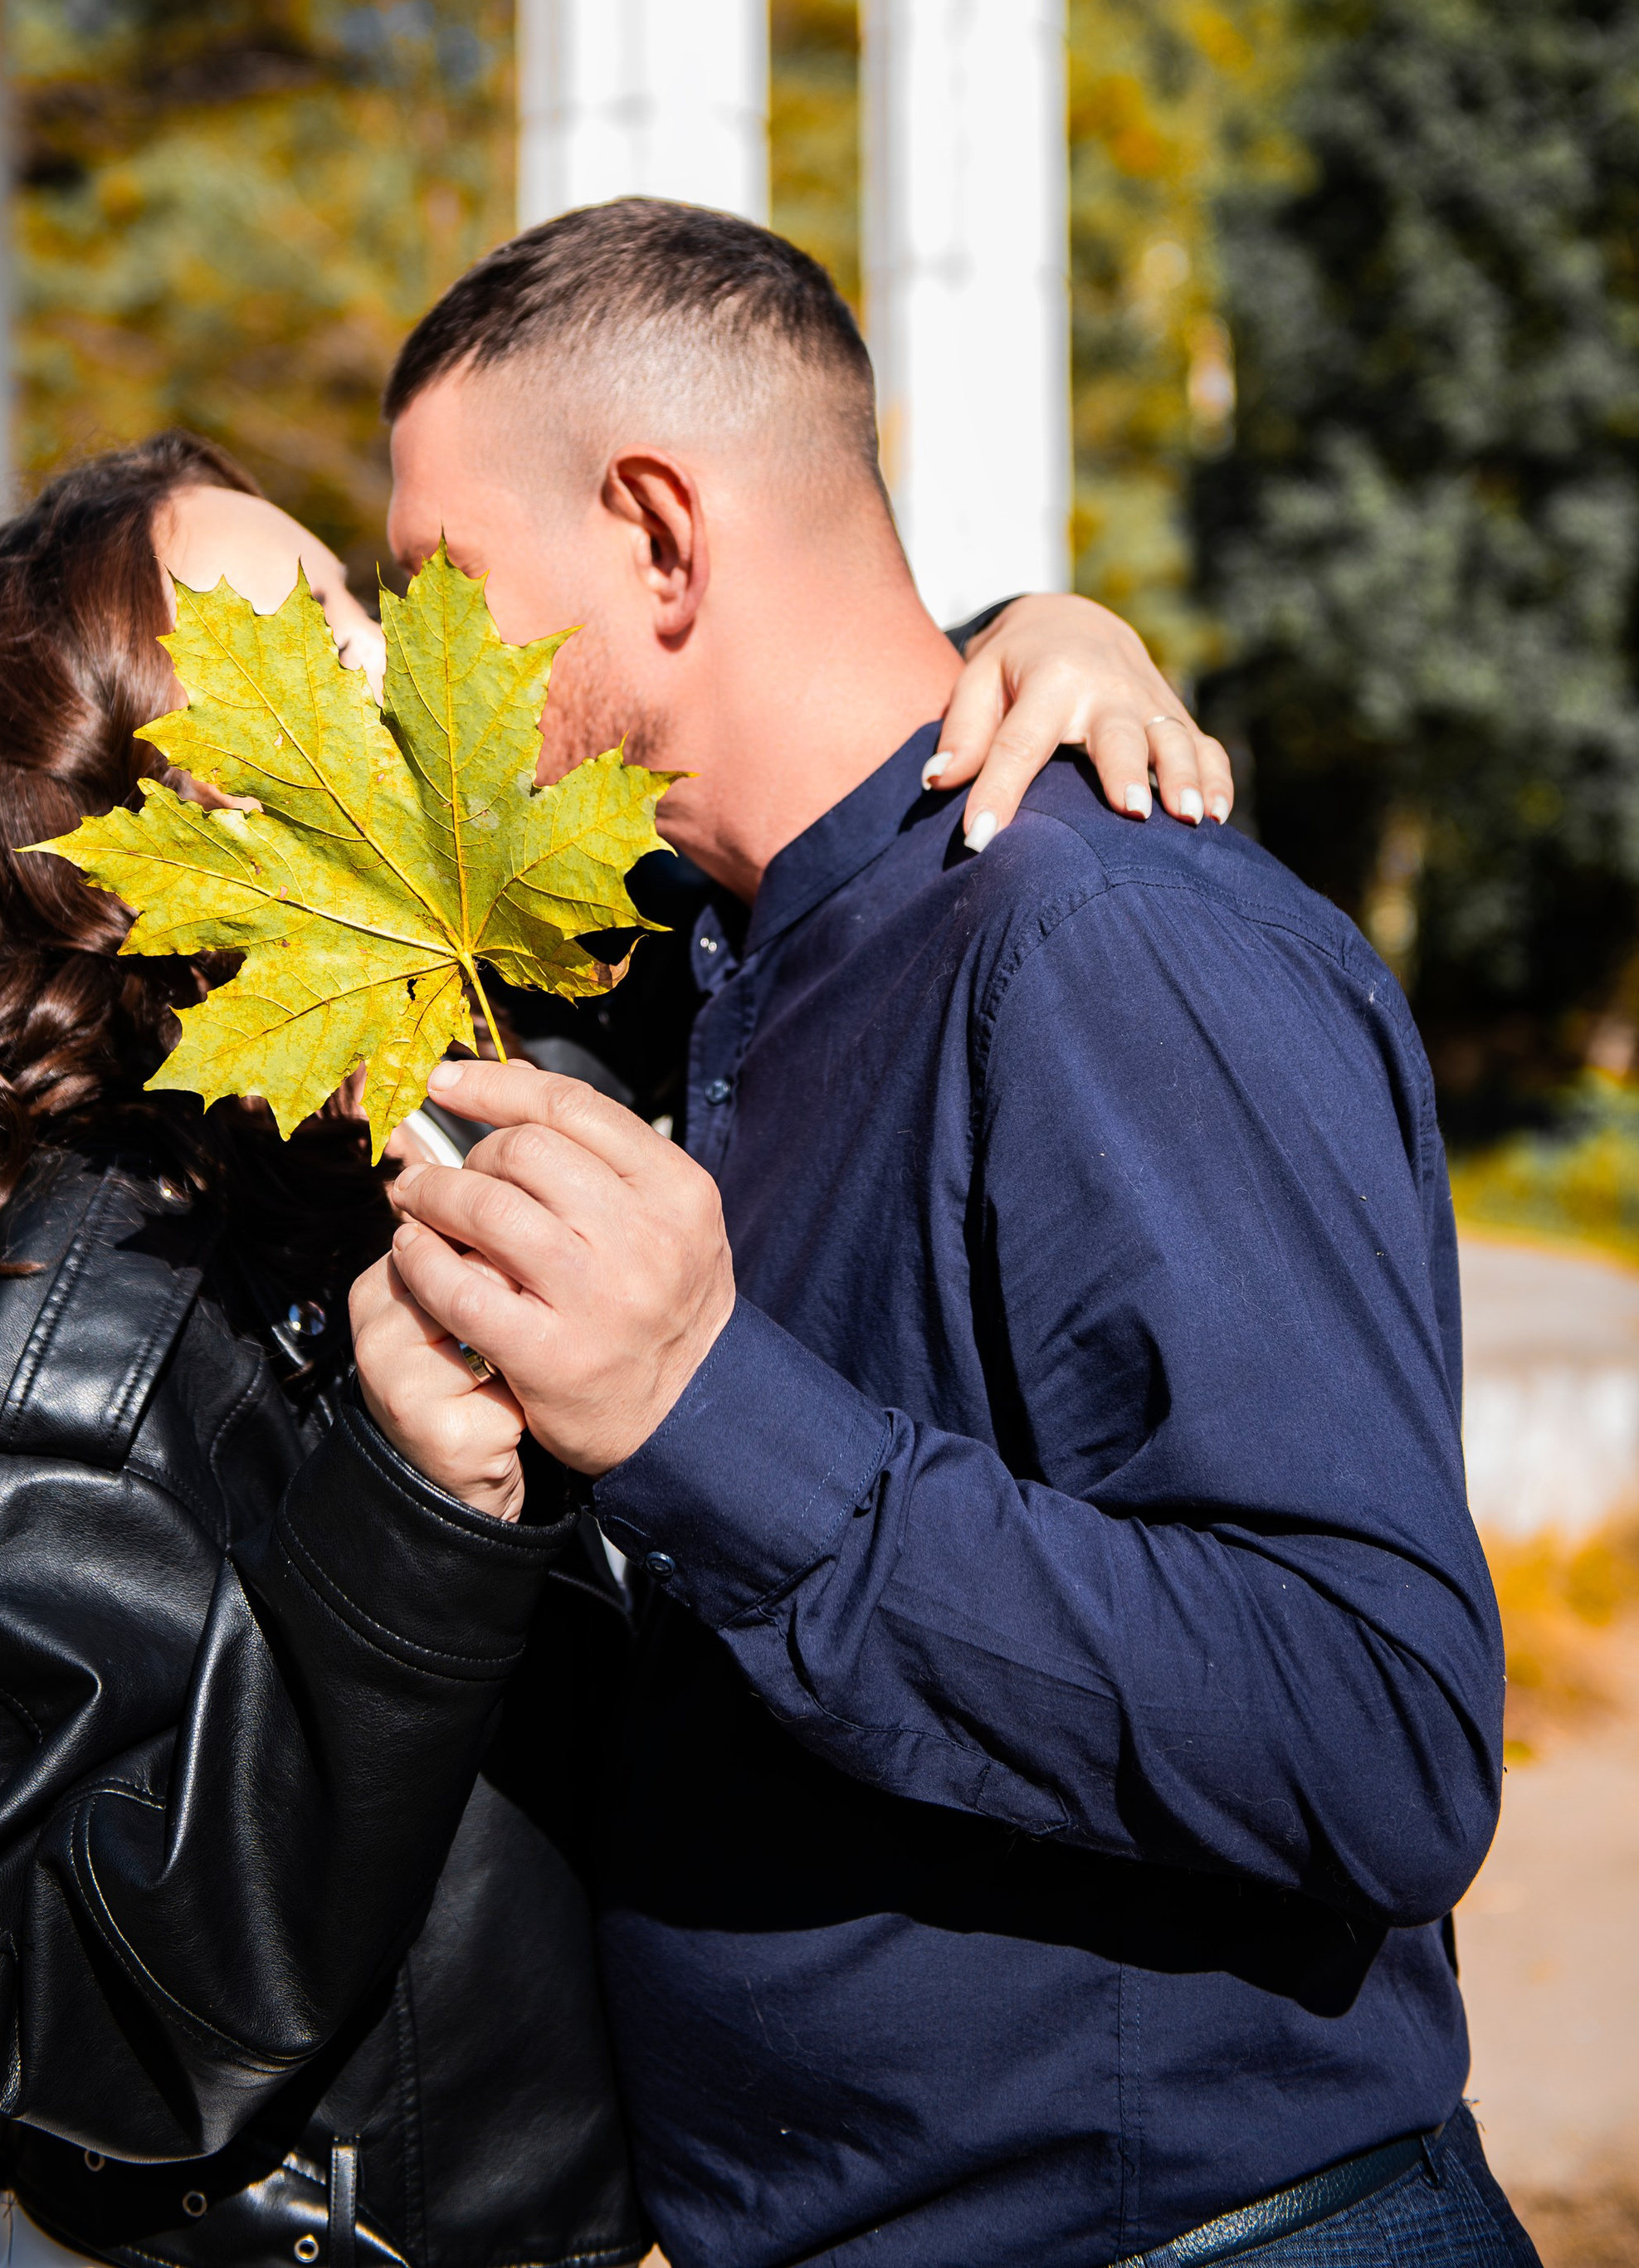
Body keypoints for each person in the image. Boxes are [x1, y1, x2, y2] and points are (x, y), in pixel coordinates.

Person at [0, 422, 1205, 2268]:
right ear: (140, 801)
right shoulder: (54, 1313)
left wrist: (1031, 632)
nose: (378, 653)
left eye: (349, 600)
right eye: (283, 638)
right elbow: (110, 2050)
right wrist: (404, 1507)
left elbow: (789, 813)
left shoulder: (461, 1060)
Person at [368, 199, 1536, 2268]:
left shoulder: (1103, 938)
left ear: (657, 534)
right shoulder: (712, 964)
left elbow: (1381, 1729)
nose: (407, 680)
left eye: (440, 589)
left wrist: (702, 1415)